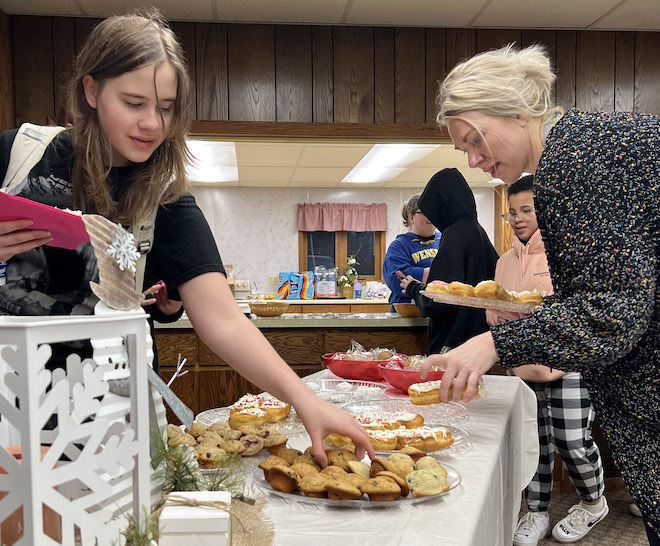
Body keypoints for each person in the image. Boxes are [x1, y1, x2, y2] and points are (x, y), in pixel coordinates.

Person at [0, 10, 372, 466]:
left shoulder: (167, 200)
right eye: (134, 103)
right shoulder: (18, 155)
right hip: (11, 412)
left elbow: (224, 320)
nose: (153, 124)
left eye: (166, 107)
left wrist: (305, 400)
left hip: (112, 430)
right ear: (91, 91)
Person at [424, 43, 660, 544]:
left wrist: (494, 344)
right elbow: (615, 288)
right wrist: (527, 320)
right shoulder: (589, 141)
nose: (473, 159)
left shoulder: (571, 164)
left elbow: (616, 311)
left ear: (514, 111)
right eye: (463, 148)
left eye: (474, 139)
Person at [488, 175, 607, 545]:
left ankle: (593, 503)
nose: (518, 218)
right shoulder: (503, 261)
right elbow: (492, 309)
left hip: (569, 366)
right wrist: (495, 315)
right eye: (512, 213)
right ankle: (536, 511)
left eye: (527, 210)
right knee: (532, 444)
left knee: (572, 441)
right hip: (522, 366)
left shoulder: (568, 255)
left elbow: (579, 313)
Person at [398, 168, 499, 354]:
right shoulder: (477, 231)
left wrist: (414, 288)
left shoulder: (454, 235)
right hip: (481, 341)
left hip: (454, 342)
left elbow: (441, 299)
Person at [382, 193, 440, 311]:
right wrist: (439, 274)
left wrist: (420, 275)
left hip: (438, 312)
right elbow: (396, 279)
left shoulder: (446, 240)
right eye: (424, 212)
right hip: (407, 313)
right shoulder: (399, 245)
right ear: (411, 218)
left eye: (433, 210)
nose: (431, 215)